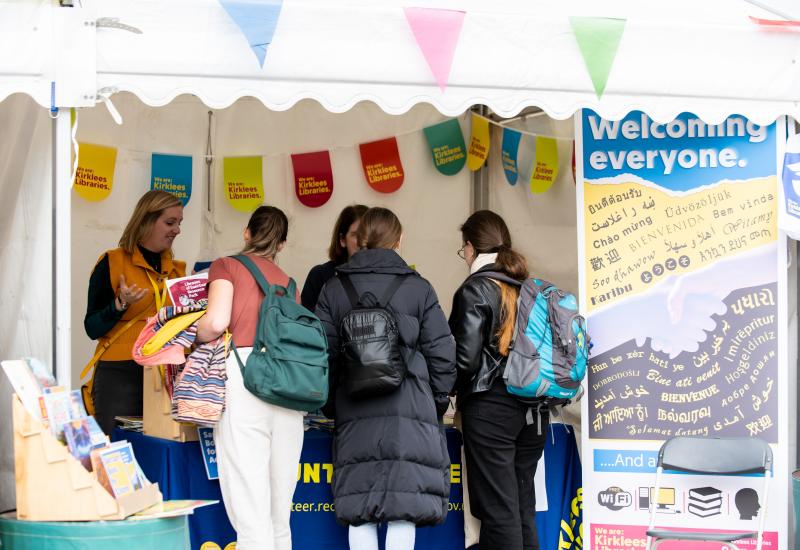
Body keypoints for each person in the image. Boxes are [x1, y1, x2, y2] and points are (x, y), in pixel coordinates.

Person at [315, 207, 456, 550]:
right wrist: (434, 403)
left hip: (353, 407)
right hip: (409, 410)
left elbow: (322, 357)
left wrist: (333, 404)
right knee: (403, 509)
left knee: (358, 507)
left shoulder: (334, 288)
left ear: (360, 239)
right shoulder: (419, 288)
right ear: (399, 239)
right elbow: (442, 354)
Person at [195, 206, 302, 550]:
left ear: (246, 232)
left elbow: (215, 321)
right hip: (288, 384)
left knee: (249, 500)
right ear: (282, 245)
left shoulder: (226, 266)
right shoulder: (289, 284)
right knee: (279, 512)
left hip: (244, 377)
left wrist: (186, 332)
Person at [449, 210, 549, 550]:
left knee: (498, 510)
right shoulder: (529, 288)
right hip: (535, 411)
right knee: (522, 507)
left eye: (463, 250)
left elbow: (465, 359)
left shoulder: (476, 288)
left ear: (471, 248)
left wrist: (442, 387)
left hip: (491, 409)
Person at [84, 190, 185, 435]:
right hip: (120, 371)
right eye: (170, 222)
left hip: (164, 374)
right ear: (146, 221)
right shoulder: (113, 261)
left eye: (179, 223)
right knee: (117, 450)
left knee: (158, 449)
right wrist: (119, 304)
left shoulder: (178, 271)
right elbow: (91, 327)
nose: (177, 230)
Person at [301, 203, 368, 311]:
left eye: (367, 234)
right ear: (342, 240)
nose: (363, 242)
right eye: (356, 235)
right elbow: (305, 324)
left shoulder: (385, 277)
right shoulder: (320, 276)